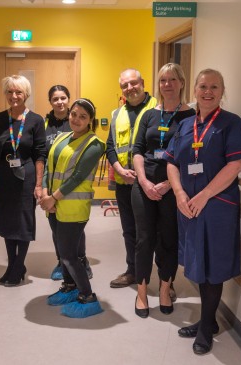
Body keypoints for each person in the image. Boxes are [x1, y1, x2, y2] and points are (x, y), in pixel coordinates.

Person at [164, 69, 241, 354]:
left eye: (214, 87)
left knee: (213, 268)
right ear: (195, 90)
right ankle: (209, 320)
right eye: (203, 86)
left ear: (222, 91)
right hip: (188, 206)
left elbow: (235, 165)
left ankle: (205, 326)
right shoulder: (185, 125)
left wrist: (204, 195)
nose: (208, 91)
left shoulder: (231, 123)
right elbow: (173, 162)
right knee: (197, 265)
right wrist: (178, 193)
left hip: (216, 207)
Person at [131, 63, 195, 319]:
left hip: (173, 187)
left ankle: (166, 289)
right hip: (144, 185)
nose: (167, 84)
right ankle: (142, 292)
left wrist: (169, 184)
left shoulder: (191, 115)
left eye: (172, 79)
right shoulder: (148, 115)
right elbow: (136, 150)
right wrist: (145, 182)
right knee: (144, 240)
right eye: (162, 80)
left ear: (181, 82)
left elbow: (190, 155)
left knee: (169, 239)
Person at [40, 98, 105, 318]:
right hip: (54, 205)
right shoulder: (62, 137)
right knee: (63, 253)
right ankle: (69, 287)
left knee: (69, 255)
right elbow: (50, 166)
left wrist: (53, 197)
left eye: (83, 116)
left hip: (73, 208)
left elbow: (77, 177)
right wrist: (43, 191)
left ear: (90, 120)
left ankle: (87, 296)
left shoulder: (94, 144)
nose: (76, 119)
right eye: (74, 114)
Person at [0, 75, 46, 286]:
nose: (14, 96)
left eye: (18, 92)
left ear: (26, 94)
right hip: (2, 178)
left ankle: (18, 267)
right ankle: (12, 264)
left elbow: (40, 155)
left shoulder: (36, 120)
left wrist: (38, 184)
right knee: (8, 223)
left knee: (23, 222)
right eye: (9, 91)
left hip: (25, 178)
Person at [106, 68, 157, 289]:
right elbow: (110, 147)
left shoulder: (158, 108)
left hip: (152, 183)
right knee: (129, 230)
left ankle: (165, 280)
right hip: (125, 182)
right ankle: (133, 271)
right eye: (125, 85)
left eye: (133, 83)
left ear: (143, 83)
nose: (130, 88)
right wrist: (119, 170)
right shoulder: (117, 114)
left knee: (156, 232)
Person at [44, 85, 92, 281]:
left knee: (74, 232)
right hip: (52, 188)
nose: (59, 102)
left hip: (71, 193)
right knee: (57, 231)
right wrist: (45, 190)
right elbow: (43, 155)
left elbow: (79, 173)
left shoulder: (74, 126)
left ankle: (80, 261)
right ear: (50, 102)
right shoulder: (45, 123)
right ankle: (62, 262)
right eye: (55, 99)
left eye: (63, 98)